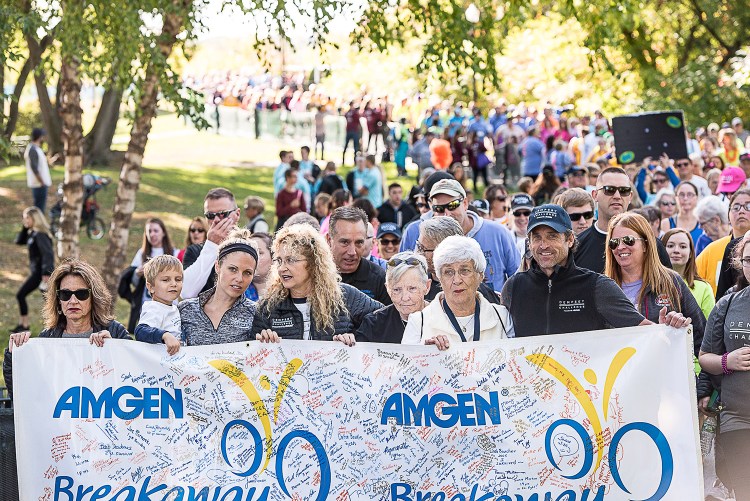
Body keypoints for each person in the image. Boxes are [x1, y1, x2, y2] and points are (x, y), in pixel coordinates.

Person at [502, 204, 691, 336]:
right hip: (531, 390)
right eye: (537, 237)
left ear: (569, 240)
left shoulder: (597, 286)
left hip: (582, 390)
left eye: (552, 236)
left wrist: (670, 329)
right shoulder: (514, 287)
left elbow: (645, 332)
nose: (543, 245)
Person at [4, 259, 131, 400]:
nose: (73, 301)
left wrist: (114, 349)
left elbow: (133, 380)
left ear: (93, 297)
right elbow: (23, 395)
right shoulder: (47, 338)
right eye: (65, 294)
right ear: (58, 299)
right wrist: (14, 355)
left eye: (81, 294)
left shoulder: (114, 331)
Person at [253, 224, 382, 345]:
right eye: (279, 261)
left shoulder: (344, 296)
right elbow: (251, 355)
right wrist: (262, 343)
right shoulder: (268, 306)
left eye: (290, 260)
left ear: (313, 263)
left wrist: (356, 339)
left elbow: (387, 320)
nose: (282, 268)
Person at [604, 213, 705, 355]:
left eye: (628, 240)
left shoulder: (671, 281)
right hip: (619, 375)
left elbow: (703, 340)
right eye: (614, 242)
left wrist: (674, 328)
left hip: (665, 372)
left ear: (645, 244)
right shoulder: (603, 288)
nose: (620, 247)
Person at [699, 232, 750, 500]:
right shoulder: (728, 303)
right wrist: (726, 362)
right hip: (736, 417)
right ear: (741, 263)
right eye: (749, 259)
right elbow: (705, 356)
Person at [402, 236, 514, 348]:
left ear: (480, 276)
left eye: (464, 271)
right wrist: (424, 355)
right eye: (448, 272)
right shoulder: (418, 322)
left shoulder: (502, 317)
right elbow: (406, 364)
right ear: (440, 278)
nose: (456, 280)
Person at [428, 178, 520, 291]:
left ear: (465, 203)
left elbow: (518, 279)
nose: (447, 214)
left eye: (453, 205)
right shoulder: (426, 240)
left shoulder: (498, 233)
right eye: (439, 209)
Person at [576, 167, 671, 273]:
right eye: (609, 190)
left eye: (623, 191)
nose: (617, 196)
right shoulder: (578, 246)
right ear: (595, 195)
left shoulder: (650, 244)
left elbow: (668, 286)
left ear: (630, 197)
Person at [179, 230, 258, 345]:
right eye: (233, 269)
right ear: (217, 266)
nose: (240, 278)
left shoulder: (256, 313)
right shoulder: (186, 309)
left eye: (247, 273)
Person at [417, 216, 501, 304]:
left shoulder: (478, 293)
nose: (418, 252)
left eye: (423, 248)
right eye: (418, 246)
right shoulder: (418, 283)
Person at [355, 252, 431, 344]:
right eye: (397, 289)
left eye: (412, 289)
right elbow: (357, 354)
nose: (405, 298)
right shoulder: (374, 324)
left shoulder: (443, 318)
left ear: (427, 286)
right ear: (388, 289)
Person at [121, 218, 179, 333]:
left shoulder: (174, 253)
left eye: (156, 231)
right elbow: (135, 283)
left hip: (170, 305)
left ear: (163, 233)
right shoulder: (142, 253)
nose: (152, 234)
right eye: (149, 231)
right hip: (147, 303)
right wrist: (137, 273)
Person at [182, 187, 241, 298]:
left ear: (237, 214)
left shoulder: (251, 246)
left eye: (222, 214)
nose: (216, 220)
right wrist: (212, 245)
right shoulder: (195, 251)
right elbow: (186, 292)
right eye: (210, 215)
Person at [327, 206, 391, 305]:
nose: (352, 252)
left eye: (359, 243)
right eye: (345, 242)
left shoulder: (379, 279)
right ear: (329, 240)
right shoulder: (313, 276)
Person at [697, 189, 750, 295]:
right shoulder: (712, 250)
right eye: (736, 207)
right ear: (728, 216)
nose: (741, 211)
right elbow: (693, 281)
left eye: (748, 207)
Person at [12, 207, 54, 333]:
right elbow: (19, 241)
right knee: (48, 300)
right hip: (36, 272)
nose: (24, 220)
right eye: (24, 218)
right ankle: (24, 325)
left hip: (41, 274)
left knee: (49, 301)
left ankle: (53, 325)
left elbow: (48, 254)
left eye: (27, 218)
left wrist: (46, 272)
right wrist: (25, 227)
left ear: (34, 218)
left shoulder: (41, 234)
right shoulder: (33, 233)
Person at [134, 255, 183, 356]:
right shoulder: (154, 308)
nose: (174, 284)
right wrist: (164, 335)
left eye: (178, 279)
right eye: (166, 280)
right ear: (151, 287)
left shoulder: (174, 308)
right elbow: (141, 331)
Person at [662, 229, 715, 320]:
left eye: (682, 247)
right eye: (670, 246)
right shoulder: (649, 284)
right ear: (661, 250)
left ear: (690, 253)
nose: (676, 250)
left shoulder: (703, 288)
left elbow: (709, 326)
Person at [24, 127, 55, 212]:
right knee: (39, 210)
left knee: (40, 208)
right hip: (39, 184)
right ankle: (37, 225)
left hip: (41, 183)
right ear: (39, 137)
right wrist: (42, 182)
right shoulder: (32, 149)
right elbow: (34, 168)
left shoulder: (36, 148)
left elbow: (41, 164)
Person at [245, 233, 273, 301]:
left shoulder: (284, 292)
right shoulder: (236, 292)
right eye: (248, 252)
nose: (252, 257)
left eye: (259, 253)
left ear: (273, 258)